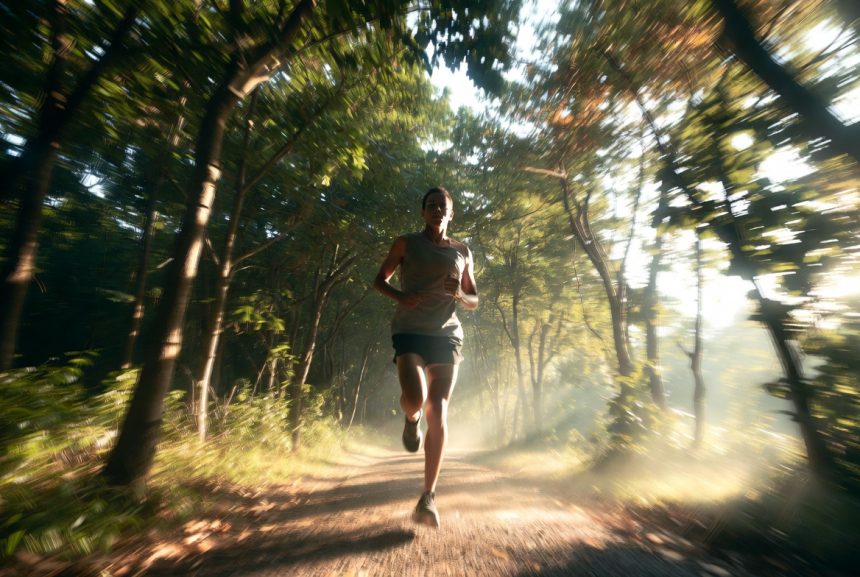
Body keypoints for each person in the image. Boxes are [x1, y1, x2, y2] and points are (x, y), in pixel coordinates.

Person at [372, 186, 479, 528]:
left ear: (451, 214)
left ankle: (428, 497)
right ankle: (409, 418)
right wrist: (400, 297)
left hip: (447, 335)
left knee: (439, 408)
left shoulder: (463, 250)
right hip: (409, 331)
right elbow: (379, 280)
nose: (436, 210)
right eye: (430, 205)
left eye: (442, 206)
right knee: (415, 399)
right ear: (422, 212)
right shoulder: (405, 243)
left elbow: (474, 299)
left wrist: (461, 294)